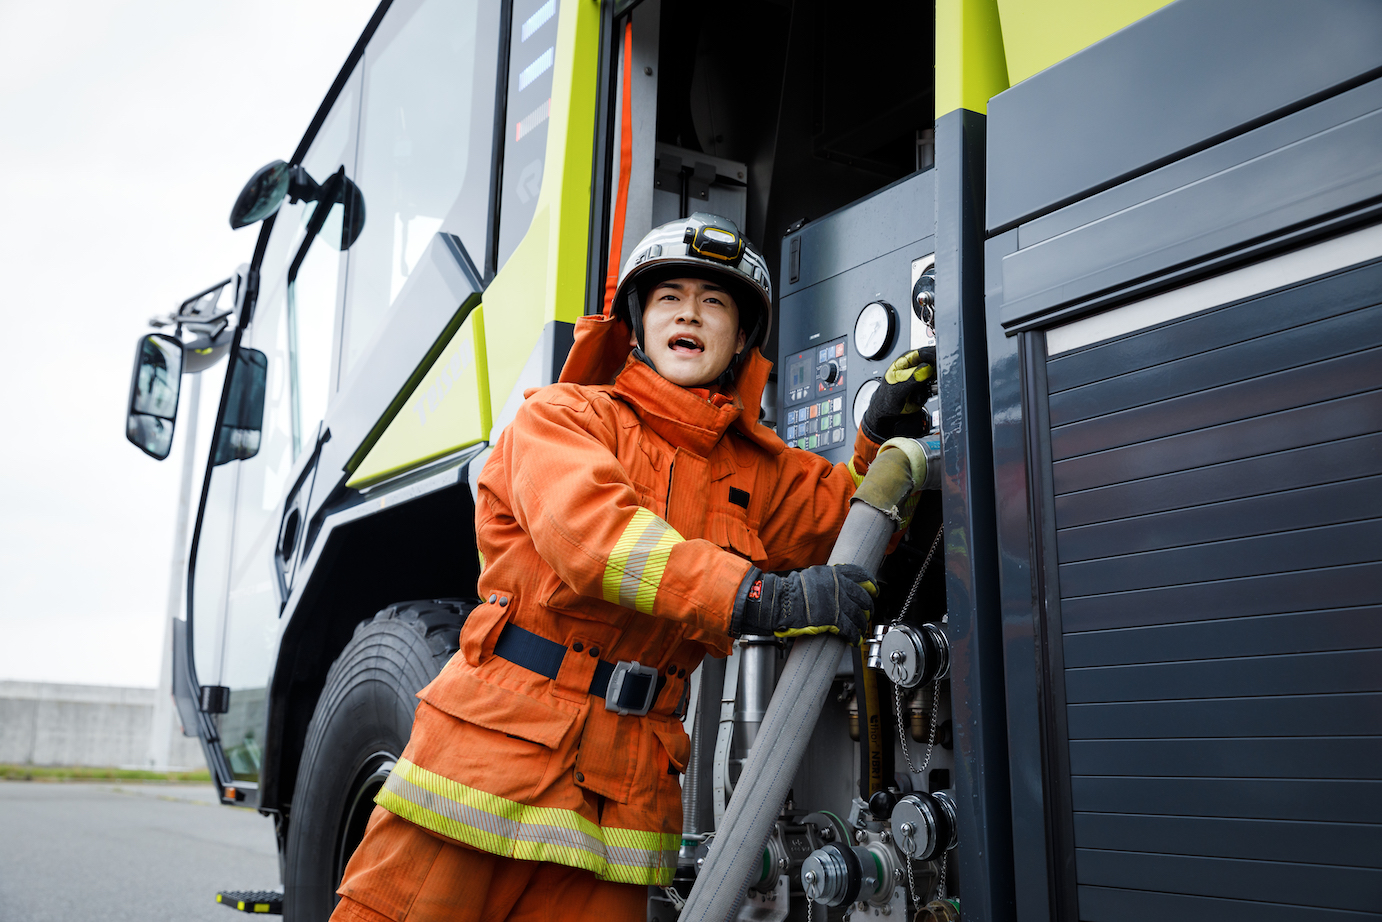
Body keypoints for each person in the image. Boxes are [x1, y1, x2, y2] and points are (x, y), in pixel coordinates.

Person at [329, 214, 934, 922]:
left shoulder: (756, 471)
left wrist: (877, 441)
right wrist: (761, 598)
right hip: (486, 768)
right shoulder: (563, 417)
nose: (689, 313)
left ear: (740, 341)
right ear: (638, 325)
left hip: (625, 798)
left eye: (714, 303)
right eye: (669, 297)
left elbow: (846, 524)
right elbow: (596, 541)